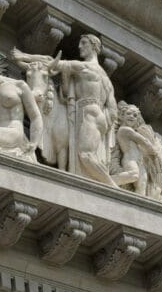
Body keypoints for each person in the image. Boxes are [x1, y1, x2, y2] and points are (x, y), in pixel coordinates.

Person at [45, 34, 118, 185]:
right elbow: (112, 112)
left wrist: (25, 56)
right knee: (85, 157)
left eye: (83, 43)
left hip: (89, 113)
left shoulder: (86, 67)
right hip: (96, 116)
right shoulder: (107, 80)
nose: (79, 47)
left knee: (85, 155)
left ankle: (112, 187)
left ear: (94, 47)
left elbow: (51, 63)